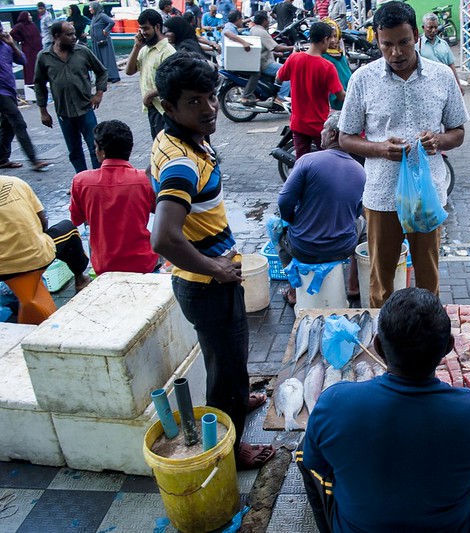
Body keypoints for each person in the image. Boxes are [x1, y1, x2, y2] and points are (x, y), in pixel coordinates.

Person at [298, 287, 470, 533]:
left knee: (303, 449)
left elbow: (316, 463)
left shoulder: (333, 403)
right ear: (449, 347)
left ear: (378, 346)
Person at [150, 52, 272, 470]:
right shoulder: (182, 163)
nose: (208, 109)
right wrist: (216, 267)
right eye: (194, 102)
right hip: (206, 283)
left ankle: (238, 399)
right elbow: (162, 237)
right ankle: (232, 446)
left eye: (211, 97)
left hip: (204, 278)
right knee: (226, 367)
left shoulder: (180, 138)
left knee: (228, 358)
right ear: (169, 107)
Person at [338, 1, 468, 307]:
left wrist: (439, 141)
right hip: (382, 193)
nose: (396, 53)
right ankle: (382, 337)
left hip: (427, 194)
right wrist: (380, 148)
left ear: (417, 37)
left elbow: (458, 133)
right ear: (378, 41)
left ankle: (425, 336)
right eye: (387, 45)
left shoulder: (442, 77)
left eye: (403, 43)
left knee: (428, 277)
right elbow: (345, 138)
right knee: (381, 279)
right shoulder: (363, 79)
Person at [277, 111, 366, 304]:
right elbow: (357, 212)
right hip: (343, 247)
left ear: (333, 134)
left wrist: (291, 221)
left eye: (324, 129)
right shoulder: (360, 171)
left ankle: (293, 291)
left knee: (275, 228)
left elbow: (284, 202)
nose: (321, 132)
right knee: (364, 226)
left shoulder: (308, 160)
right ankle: (353, 286)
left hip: (303, 247)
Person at [69, 120, 159, 276]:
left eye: (96, 147)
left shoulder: (81, 181)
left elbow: (76, 219)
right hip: (143, 262)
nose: (95, 151)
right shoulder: (145, 179)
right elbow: (161, 211)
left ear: (102, 151)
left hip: (104, 265)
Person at [0, 174, 91, 324]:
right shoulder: (15, 182)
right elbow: (43, 222)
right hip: (34, 258)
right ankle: (80, 279)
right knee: (69, 228)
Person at [35, 21, 107, 174]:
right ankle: (81, 179)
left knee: (95, 146)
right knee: (74, 150)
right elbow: (39, 84)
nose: (74, 37)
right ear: (57, 36)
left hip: (85, 108)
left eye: (74, 33)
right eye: (69, 34)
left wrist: (99, 93)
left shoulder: (83, 51)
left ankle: (97, 178)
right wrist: (43, 111)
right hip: (64, 112)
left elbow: (102, 72)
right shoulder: (44, 57)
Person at [277, 22, 345, 158]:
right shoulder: (327, 66)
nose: (332, 41)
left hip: (298, 124)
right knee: (325, 161)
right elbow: (341, 96)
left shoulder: (294, 58)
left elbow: (279, 78)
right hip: (319, 126)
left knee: (301, 162)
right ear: (325, 39)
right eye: (330, 38)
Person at [0, 27, 48, 171]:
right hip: (1, 93)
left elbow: (23, 60)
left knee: (7, 126)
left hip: (10, 91)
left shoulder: (6, 46)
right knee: (18, 122)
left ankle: (2, 159)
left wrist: (12, 44)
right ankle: (34, 160)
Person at [126, 9, 176, 139]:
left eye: (146, 28)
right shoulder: (144, 50)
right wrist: (136, 47)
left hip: (164, 110)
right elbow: (129, 71)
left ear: (157, 27)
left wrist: (150, 94)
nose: (143, 33)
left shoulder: (168, 52)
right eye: (141, 29)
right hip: (152, 108)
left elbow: (172, 82)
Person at [241, 11, 292, 106]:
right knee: (289, 72)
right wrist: (293, 47)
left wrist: (276, 54)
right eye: (268, 19)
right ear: (264, 20)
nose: (269, 21)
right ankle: (280, 97)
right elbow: (276, 47)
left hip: (260, 59)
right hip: (265, 63)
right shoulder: (262, 32)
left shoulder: (254, 29)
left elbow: (263, 47)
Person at [418, 12, 463, 94]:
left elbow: (451, 65)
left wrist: (458, 85)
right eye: (430, 27)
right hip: (427, 89)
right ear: (423, 27)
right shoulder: (417, 45)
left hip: (445, 86)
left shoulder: (444, 44)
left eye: (435, 27)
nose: (433, 30)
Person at [320, 19, 351, 111]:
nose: (333, 40)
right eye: (330, 37)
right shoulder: (323, 57)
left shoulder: (342, 57)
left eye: (335, 36)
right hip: (336, 102)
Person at [89, 1, 120, 83]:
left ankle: (114, 76)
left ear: (95, 7)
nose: (89, 9)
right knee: (100, 60)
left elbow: (111, 22)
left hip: (104, 41)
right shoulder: (94, 17)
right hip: (96, 42)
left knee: (108, 58)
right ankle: (106, 76)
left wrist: (106, 30)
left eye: (91, 7)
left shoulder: (102, 16)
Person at [10, 12, 42, 85]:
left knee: (38, 64)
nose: (31, 17)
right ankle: (31, 82)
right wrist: (21, 39)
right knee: (30, 66)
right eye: (29, 15)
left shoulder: (32, 25)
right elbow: (12, 33)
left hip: (37, 48)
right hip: (29, 49)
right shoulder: (20, 26)